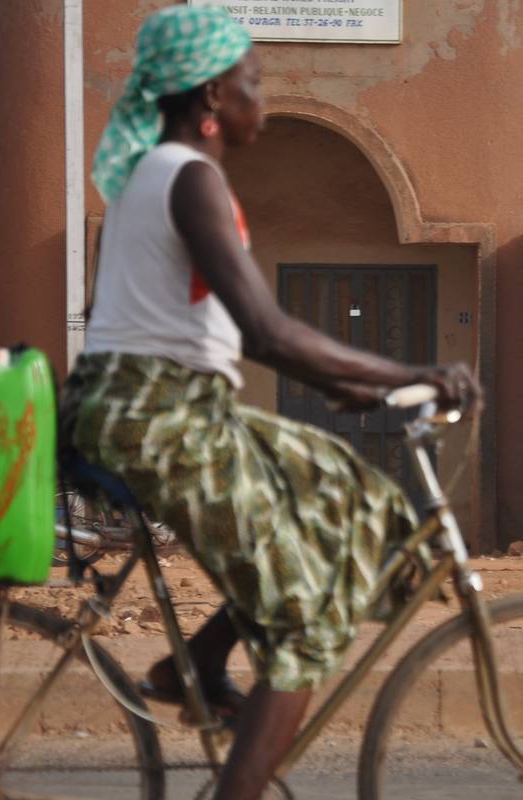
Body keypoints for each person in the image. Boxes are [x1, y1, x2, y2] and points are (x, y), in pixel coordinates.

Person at [60, 8, 478, 798]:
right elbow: (266, 328)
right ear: (213, 94)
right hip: (159, 419)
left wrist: (346, 383)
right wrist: (405, 371)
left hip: (171, 405)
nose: (261, 97)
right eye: (253, 83)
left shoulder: (163, 173)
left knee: (354, 497)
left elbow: (212, 328)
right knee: (305, 619)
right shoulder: (187, 176)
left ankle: (201, 661)